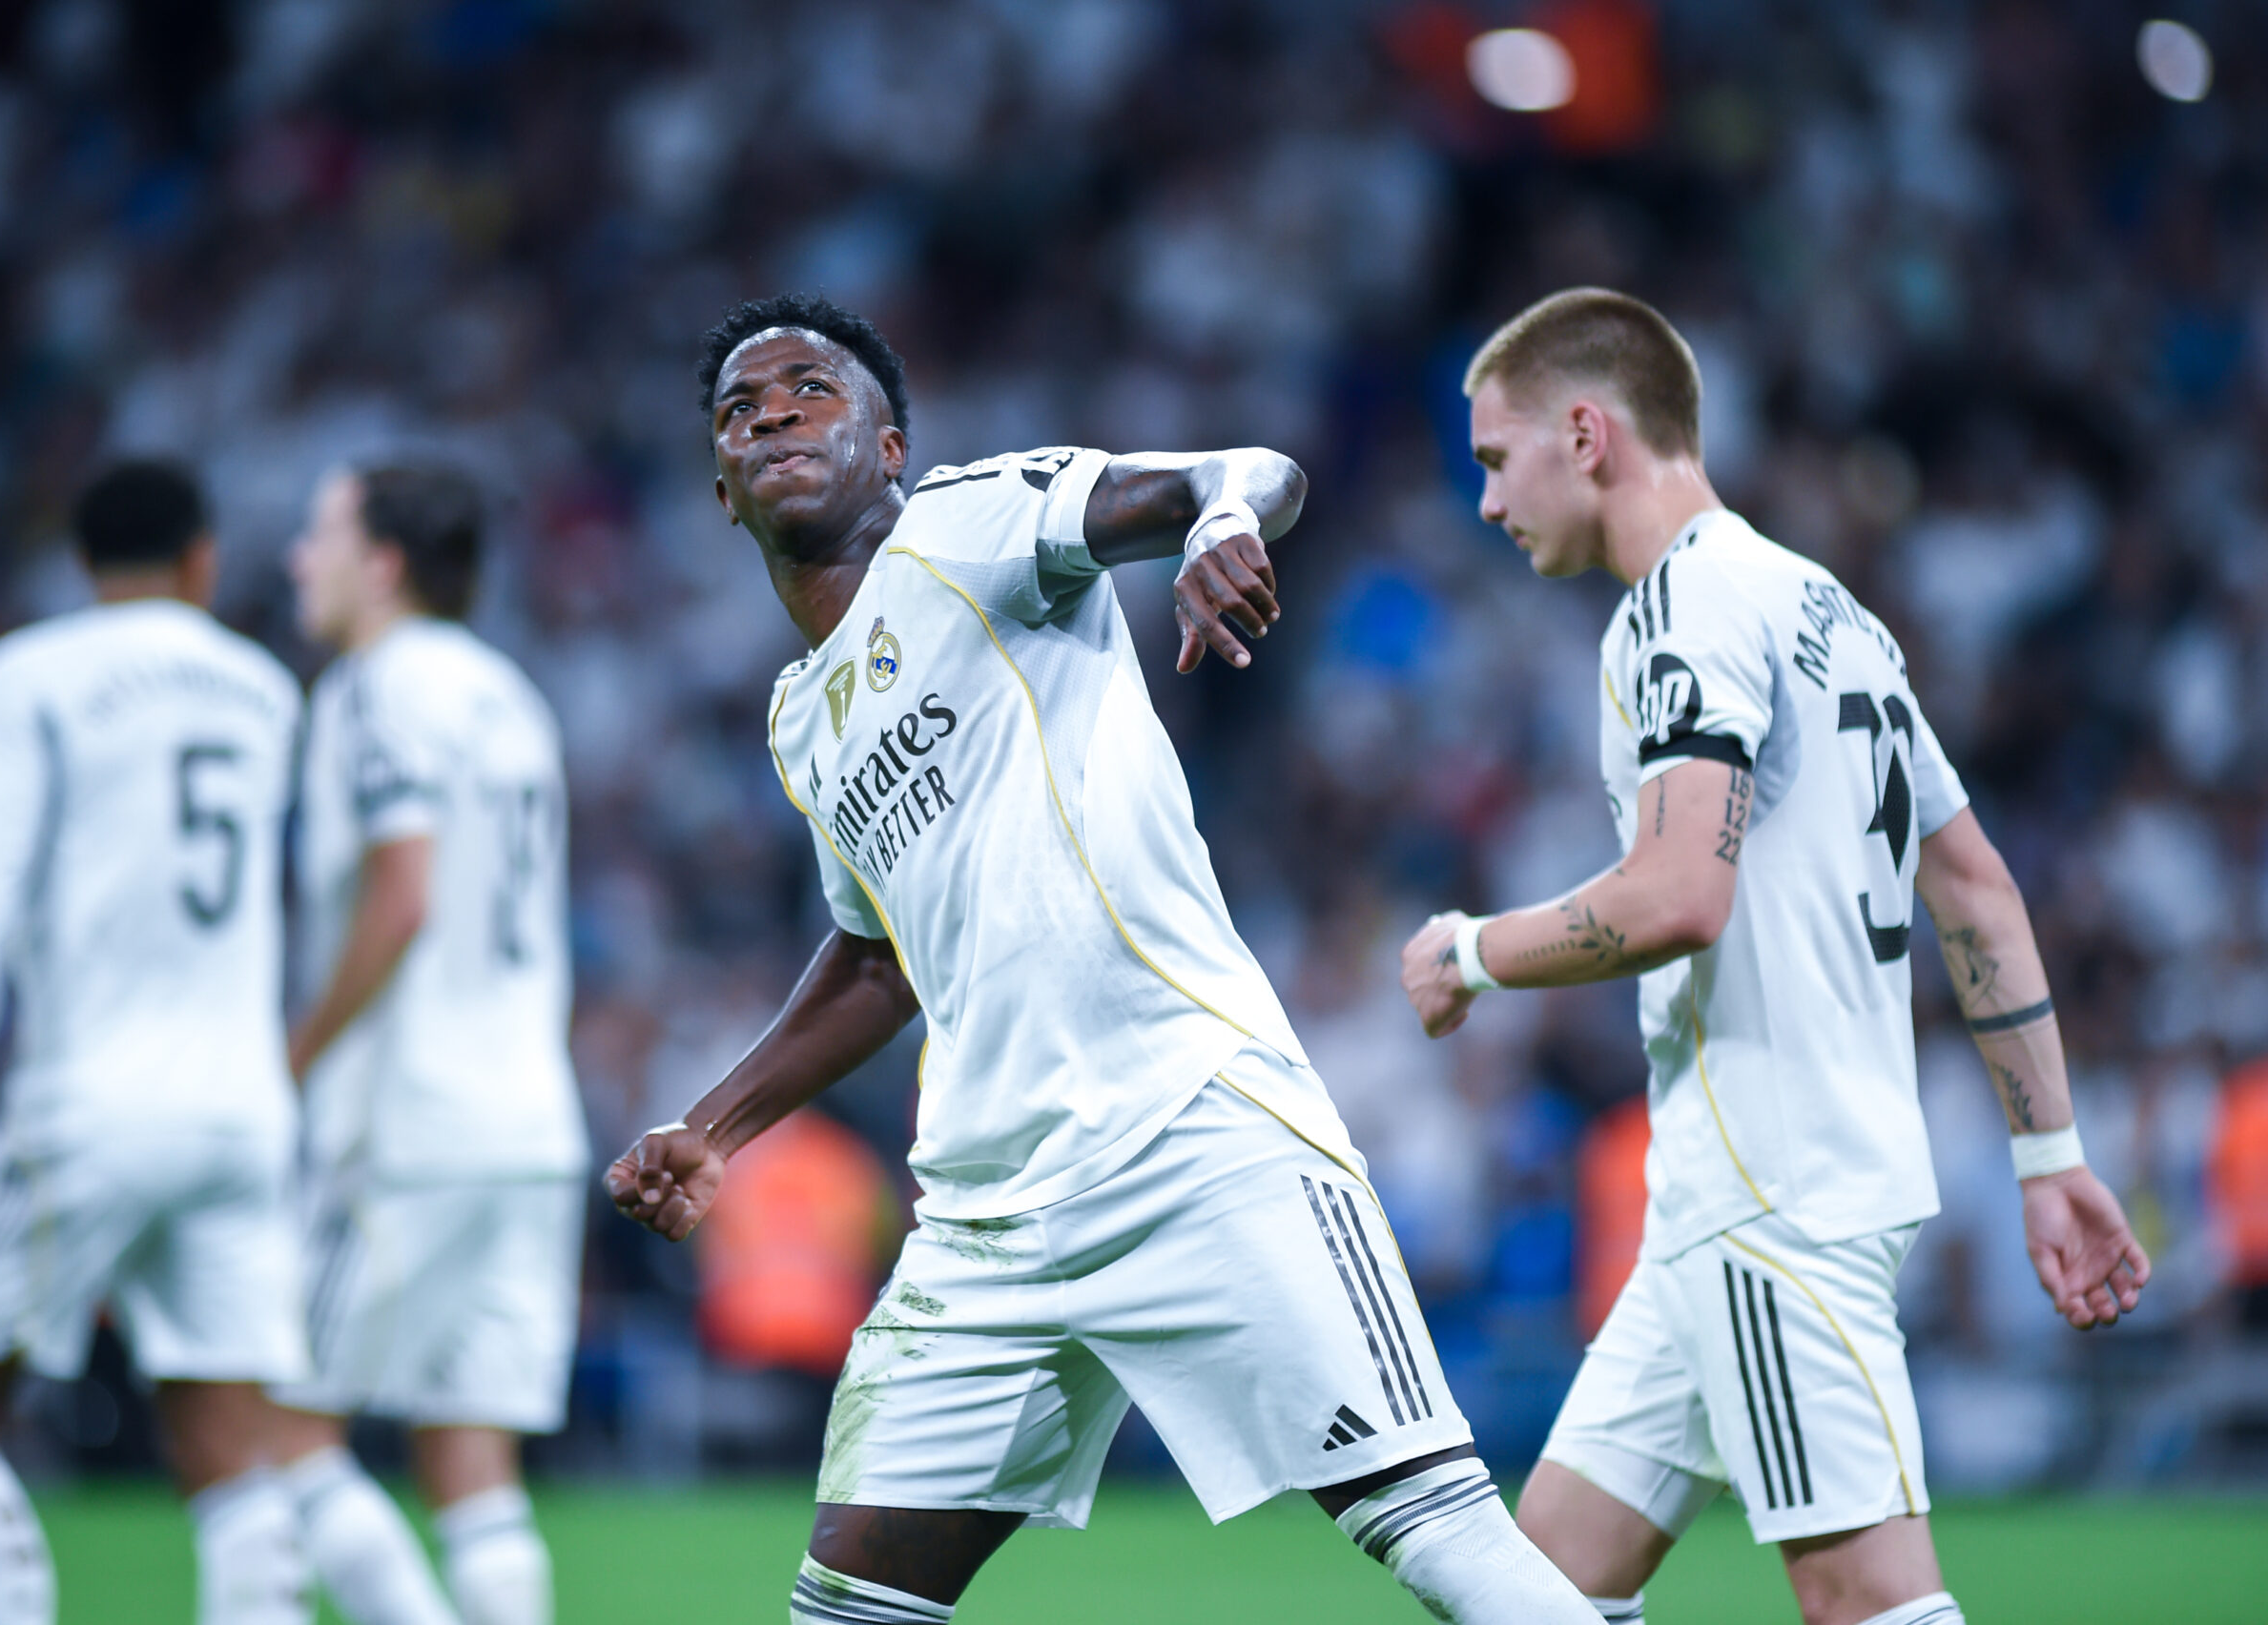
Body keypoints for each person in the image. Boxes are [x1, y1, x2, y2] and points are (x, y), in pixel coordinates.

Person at [606, 292, 1600, 1625]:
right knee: (844, 1607)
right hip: (987, 1214)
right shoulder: (801, 723)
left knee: (1439, 1537)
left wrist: (1225, 523)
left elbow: (1241, 472)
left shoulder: (971, 525)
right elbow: (875, 962)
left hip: (1192, 1128)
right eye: (739, 410)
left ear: (891, 446)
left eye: (809, 390)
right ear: (722, 494)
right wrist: (718, 1127)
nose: (771, 412)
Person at [1399, 288, 2152, 1625]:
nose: (1486, 501)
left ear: (1586, 433)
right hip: (1733, 1192)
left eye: (1493, 458)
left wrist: (1474, 949)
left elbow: (1683, 893)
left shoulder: (1683, 610)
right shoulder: (1828, 609)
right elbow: (1974, 887)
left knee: (1866, 1602)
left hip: (1773, 1190)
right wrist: (2051, 1159)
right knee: (1535, 1595)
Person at [0, 460, 311, 1625]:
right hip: (239, 1113)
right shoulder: (267, 693)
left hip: (90, 1107)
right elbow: (123, 811)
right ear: (202, 560)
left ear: (81, 565)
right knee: (229, 1448)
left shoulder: (35, 674)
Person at [273, 460, 587, 1625]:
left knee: (272, 1427)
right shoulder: (513, 695)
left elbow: (402, 894)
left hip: (407, 1123)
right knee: (471, 1458)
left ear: (386, 562)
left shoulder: (369, 687)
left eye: (323, 534)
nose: (302, 560)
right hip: (528, 1127)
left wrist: (295, 1057)